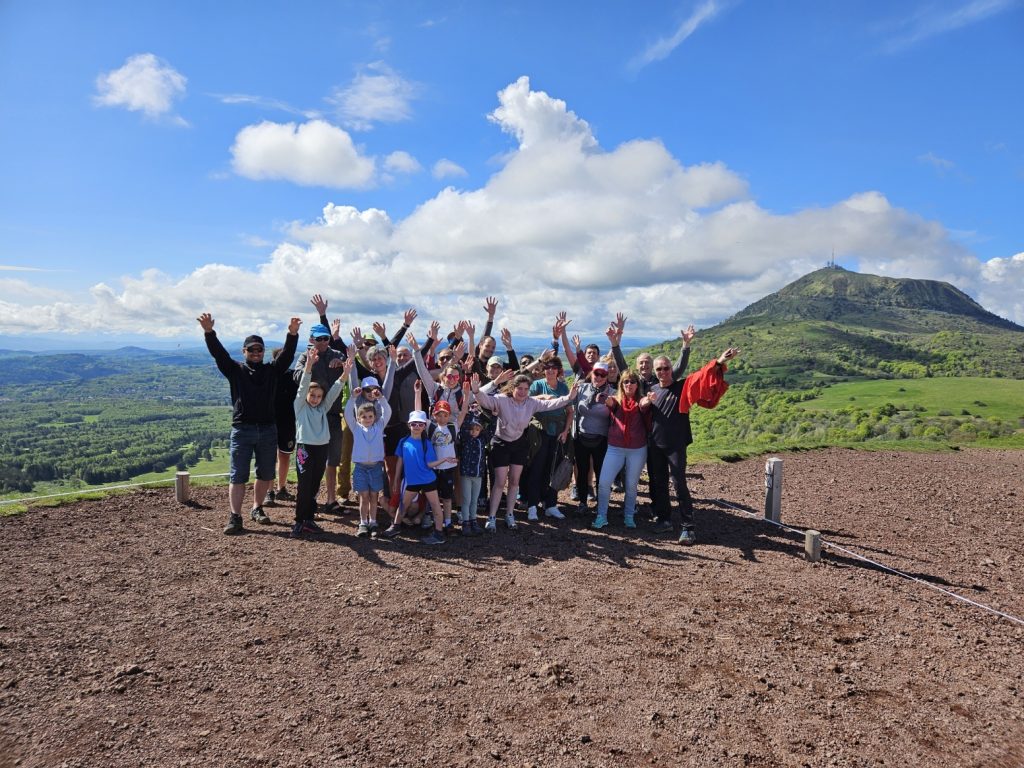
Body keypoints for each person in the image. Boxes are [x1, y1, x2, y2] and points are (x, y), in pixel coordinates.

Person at [197, 312, 300, 535]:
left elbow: (288, 356)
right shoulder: (235, 370)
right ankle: (235, 516)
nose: (255, 353)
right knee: (238, 475)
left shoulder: (272, 371)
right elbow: (219, 354)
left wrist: (292, 334)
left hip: (267, 429)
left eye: (259, 349)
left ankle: (257, 508)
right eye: (251, 349)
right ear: (244, 352)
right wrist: (209, 333)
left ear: (263, 351)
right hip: (242, 429)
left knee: (265, 474)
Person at [472, 370, 579, 531]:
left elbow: (551, 404)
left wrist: (569, 398)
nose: (522, 392)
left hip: (519, 444)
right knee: (500, 482)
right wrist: (476, 391)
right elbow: (485, 401)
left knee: (515, 481)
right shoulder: (502, 400)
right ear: (513, 388)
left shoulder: (531, 402)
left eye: (525, 389)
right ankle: (492, 517)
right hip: (501, 443)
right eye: (519, 388)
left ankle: (510, 515)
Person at [293, 309, 347, 516]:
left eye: (326, 338)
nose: (323, 342)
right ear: (311, 339)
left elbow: (347, 366)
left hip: (331, 415)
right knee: (309, 469)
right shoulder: (305, 356)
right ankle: (308, 506)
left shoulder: (336, 354)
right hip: (310, 418)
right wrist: (309, 365)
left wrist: (341, 364)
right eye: (319, 339)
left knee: (332, 460)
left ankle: (330, 500)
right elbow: (297, 378)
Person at [292, 353, 348, 536]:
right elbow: (302, 387)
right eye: (312, 395)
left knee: (315, 484)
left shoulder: (324, 407)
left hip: (321, 447)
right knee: (304, 485)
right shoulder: (300, 406)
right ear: (307, 395)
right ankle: (299, 521)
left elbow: (334, 392)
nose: (315, 399)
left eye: (318, 396)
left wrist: (344, 374)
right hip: (305, 449)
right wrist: (308, 365)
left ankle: (308, 519)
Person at [381, 409, 451, 545]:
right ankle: (395, 526)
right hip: (411, 481)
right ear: (409, 425)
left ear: (424, 426)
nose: (417, 427)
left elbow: (430, 464)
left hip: (427, 480)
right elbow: (400, 461)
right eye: (414, 424)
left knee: (436, 505)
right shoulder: (403, 441)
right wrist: (396, 479)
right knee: (403, 504)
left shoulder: (427, 444)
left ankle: (438, 533)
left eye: (420, 424)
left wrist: (444, 460)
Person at [594, 369, 651, 529]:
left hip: (637, 449)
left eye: (633, 381)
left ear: (637, 384)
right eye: (626, 381)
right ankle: (601, 516)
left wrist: (648, 401)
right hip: (615, 448)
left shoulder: (641, 401)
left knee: (631, 484)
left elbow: (645, 405)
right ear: (621, 384)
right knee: (604, 483)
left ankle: (629, 516)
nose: (629, 384)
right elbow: (608, 401)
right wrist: (603, 398)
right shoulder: (616, 400)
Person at [523, 357, 573, 521]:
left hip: (558, 433)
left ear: (558, 370)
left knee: (553, 469)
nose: (550, 370)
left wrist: (566, 431)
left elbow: (570, 411)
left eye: (554, 367)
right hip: (540, 432)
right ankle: (532, 505)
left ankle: (550, 504)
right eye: (547, 367)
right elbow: (527, 403)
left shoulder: (563, 387)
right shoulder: (537, 385)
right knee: (537, 468)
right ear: (544, 369)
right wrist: (543, 398)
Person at [344, 377, 392, 538]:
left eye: (370, 416)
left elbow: (388, 411)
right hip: (361, 467)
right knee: (363, 496)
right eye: (364, 417)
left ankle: (373, 522)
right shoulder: (356, 429)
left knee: (374, 496)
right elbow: (347, 412)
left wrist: (381, 398)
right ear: (358, 418)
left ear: (374, 417)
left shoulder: (379, 426)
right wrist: (353, 398)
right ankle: (363, 522)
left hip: (376, 467)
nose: (367, 419)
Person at [572, 360, 613, 514]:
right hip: (581, 437)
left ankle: (601, 505)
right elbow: (570, 405)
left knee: (601, 472)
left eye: (603, 374)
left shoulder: (612, 392)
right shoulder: (582, 388)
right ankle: (583, 502)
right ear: (592, 373)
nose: (599, 377)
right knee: (582, 472)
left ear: (607, 376)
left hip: (601, 439)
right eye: (597, 373)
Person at [268, 346, 299, 504]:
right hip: (270, 421)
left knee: (285, 455)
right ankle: (269, 491)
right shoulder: (268, 375)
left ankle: (281, 488)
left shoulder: (294, 375)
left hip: (288, 422)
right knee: (269, 457)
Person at [458, 415, 487, 535]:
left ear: (480, 430)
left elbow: (491, 429)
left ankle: (473, 521)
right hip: (466, 474)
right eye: (471, 429)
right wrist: (469, 413)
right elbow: (463, 427)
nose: (473, 432)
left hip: (478, 475)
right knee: (466, 500)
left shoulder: (483, 440)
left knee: (474, 500)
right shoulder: (465, 439)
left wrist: (495, 417)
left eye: (477, 429)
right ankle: (465, 523)